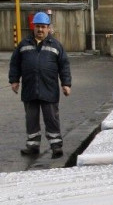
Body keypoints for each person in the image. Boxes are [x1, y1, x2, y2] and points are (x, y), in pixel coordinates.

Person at [8, 12, 72, 159]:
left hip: (49, 89)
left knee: (51, 118)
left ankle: (56, 146)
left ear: (48, 28)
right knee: (31, 119)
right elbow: (15, 64)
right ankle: (32, 146)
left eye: (43, 27)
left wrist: (66, 84)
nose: (40, 30)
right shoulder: (23, 45)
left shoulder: (56, 46)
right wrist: (14, 80)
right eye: (38, 26)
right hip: (30, 89)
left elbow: (64, 66)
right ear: (33, 27)